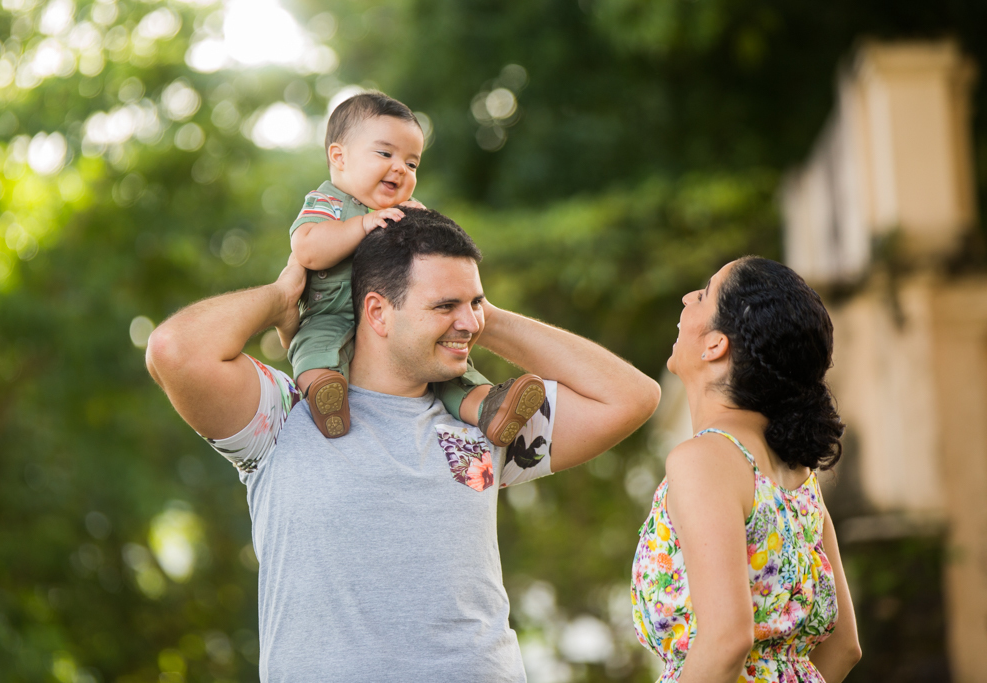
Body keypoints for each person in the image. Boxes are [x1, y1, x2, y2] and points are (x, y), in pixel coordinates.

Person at [146, 207, 661, 682]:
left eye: (474, 302)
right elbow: (174, 350)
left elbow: (631, 398)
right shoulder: (282, 415)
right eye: (444, 305)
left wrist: (481, 316)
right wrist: (284, 298)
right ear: (377, 311)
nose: (468, 322)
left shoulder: (489, 419)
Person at [630, 256, 862, 683]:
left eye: (703, 295)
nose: (687, 298)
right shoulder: (799, 476)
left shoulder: (704, 460)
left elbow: (726, 643)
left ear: (715, 345)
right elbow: (844, 647)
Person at [285, 91, 544, 444]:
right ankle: (326, 398)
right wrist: (362, 225)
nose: (400, 168)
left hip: (399, 325)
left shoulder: (406, 208)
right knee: (315, 350)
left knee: (449, 370)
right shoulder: (327, 203)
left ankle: (489, 408)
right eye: (385, 153)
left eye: (412, 164)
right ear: (339, 156)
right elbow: (308, 250)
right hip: (330, 312)